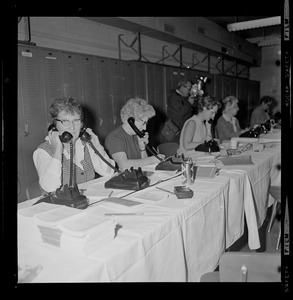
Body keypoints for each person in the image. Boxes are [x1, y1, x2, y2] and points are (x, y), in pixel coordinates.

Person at [33, 97, 115, 194]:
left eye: (76, 121)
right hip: (60, 206)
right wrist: (58, 149)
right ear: (55, 125)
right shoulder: (43, 152)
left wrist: (98, 147)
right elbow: (50, 188)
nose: (72, 127)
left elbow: (108, 173)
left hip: (87, 201)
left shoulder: (85, 145)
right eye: (65, 121)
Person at [105, 97, 165, 170]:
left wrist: (142, 148)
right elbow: (123, 165)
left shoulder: (136, 135)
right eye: (143, 123)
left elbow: (145, 165)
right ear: (131, 120)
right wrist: (152, 160)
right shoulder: (115, 137)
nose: (145, 128)